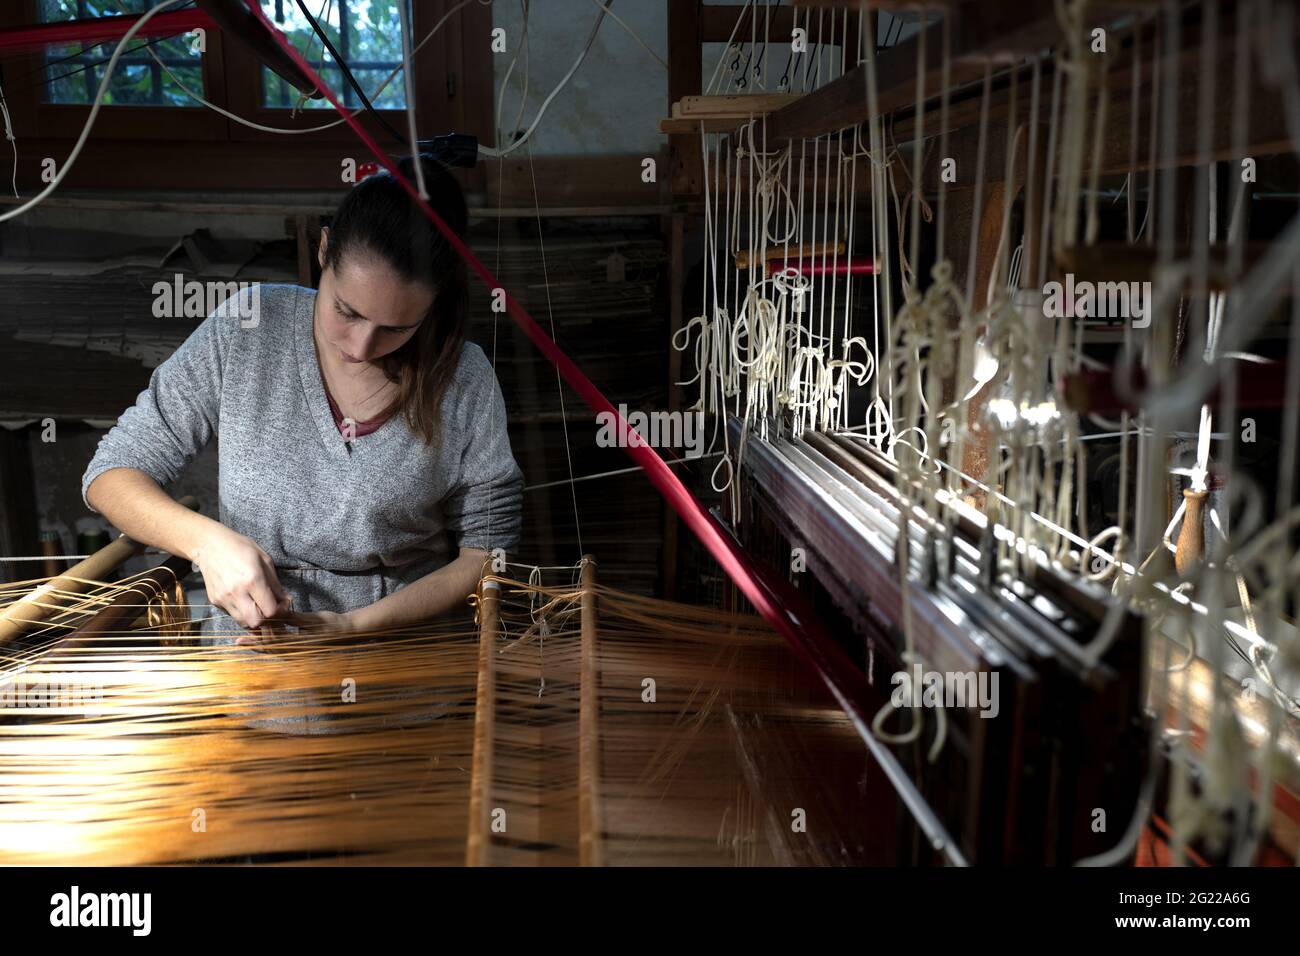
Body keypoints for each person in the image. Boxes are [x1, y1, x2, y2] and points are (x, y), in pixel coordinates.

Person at [83, 156, 523, 645]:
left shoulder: (464, 378)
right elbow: (112, 473)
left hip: (401, 671)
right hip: (257, 667)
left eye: (396, 328)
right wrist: (206, 543)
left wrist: (354, 626)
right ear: (324, 249)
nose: (359, 347)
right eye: (346, 310)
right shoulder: (247, 327)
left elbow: (484, 555)